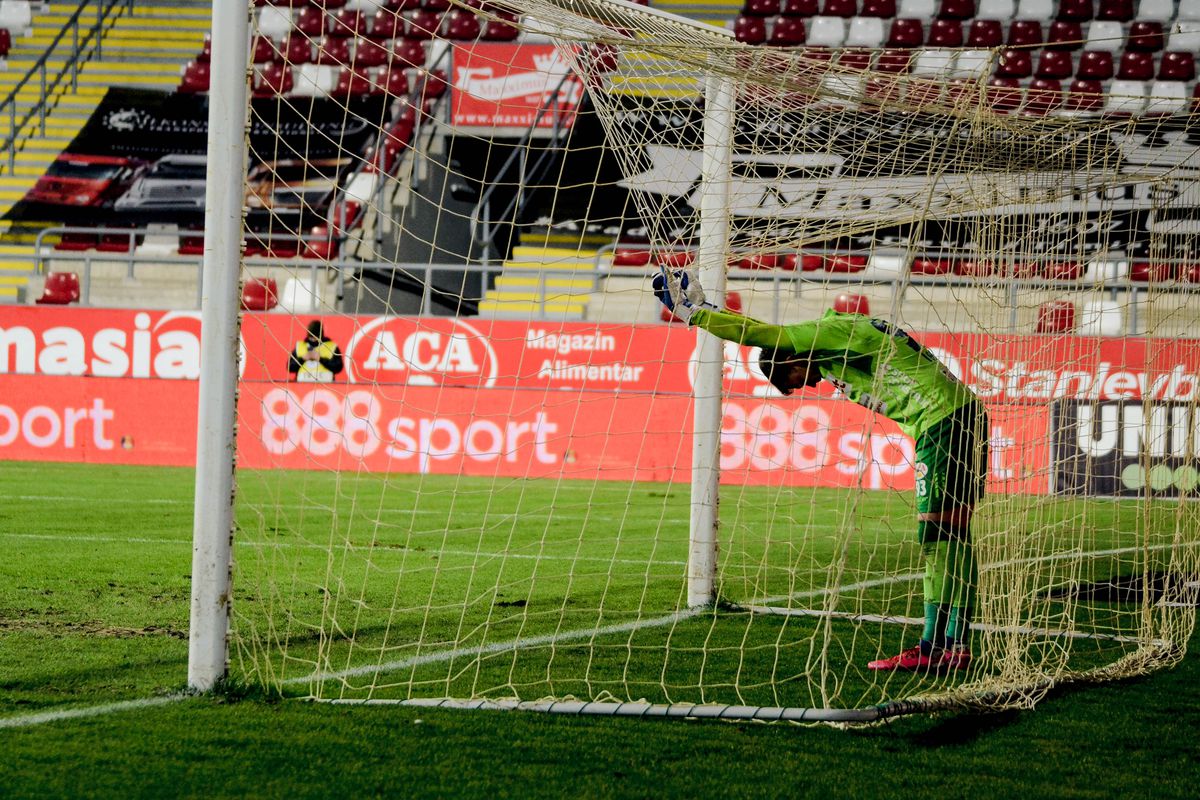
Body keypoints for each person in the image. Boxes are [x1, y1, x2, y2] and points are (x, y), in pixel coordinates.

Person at [653, 268, 988, 672]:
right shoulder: (830, 347)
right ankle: (951, 643)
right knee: (949, 534)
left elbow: (765, 335)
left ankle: (940, 646)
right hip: (957, 417)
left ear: (793, 358)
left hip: (944, 421)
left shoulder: (829, 335)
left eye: (793, 381)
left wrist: (697, 314)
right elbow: (768, 332)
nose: (805, 388)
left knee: (937, 535)